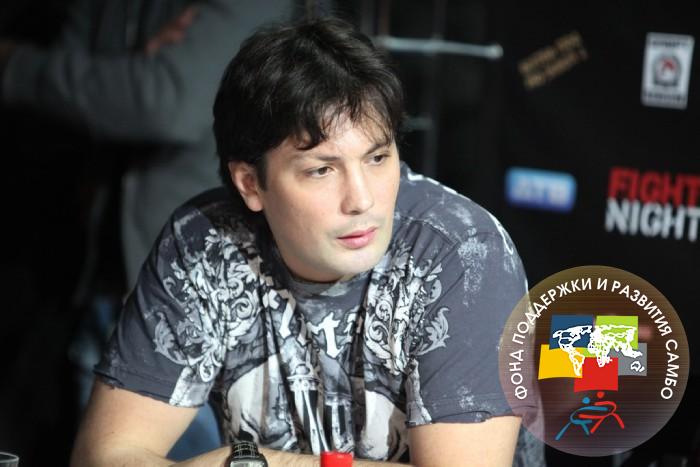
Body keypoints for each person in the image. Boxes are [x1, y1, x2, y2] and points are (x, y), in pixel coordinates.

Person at [70, 17, 544, 466]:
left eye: (377, 158)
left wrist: (250, 463)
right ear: (250, 184)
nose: (362, 200)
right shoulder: (203, 245)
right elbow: (103, 457)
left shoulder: (462, 253)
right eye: (321, 170)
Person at [1, 0, 295, 460]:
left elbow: (163, 103)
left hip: (198, 300)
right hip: (93, 281)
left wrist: (16, 62)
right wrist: (133, 71)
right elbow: (87, 90)